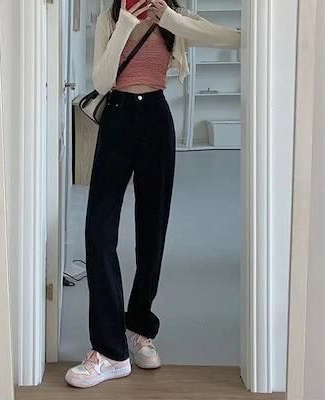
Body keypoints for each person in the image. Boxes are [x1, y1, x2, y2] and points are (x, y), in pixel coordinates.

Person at [65, 0, 240, 388]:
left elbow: (230, 38)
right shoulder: (110, 18)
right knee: (98, 231)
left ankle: (139, 326)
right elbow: (102, 81)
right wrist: (126, 25)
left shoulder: (173, 16)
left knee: (151, 231)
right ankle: (109, 351)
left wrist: (172, 19)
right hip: (118, 118)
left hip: (156, 119)